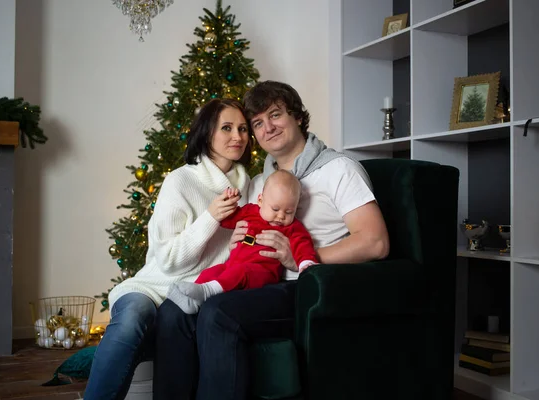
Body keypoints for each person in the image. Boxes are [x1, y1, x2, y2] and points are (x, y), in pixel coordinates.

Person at [153, 81, 390, 400]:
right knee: (173, 312)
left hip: (308, 288)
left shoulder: (339, 170)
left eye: (275, 115)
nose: (268, 128)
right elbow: (244, 225)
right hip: (260, 283)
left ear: (297, 117)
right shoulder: (259, 183)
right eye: (258, 123)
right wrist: (237, 238)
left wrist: (303, 258)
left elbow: (375, 242)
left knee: (219, 312)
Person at [83, 98, 253, 400]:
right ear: (207, 134)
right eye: (226, 128)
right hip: (154, 286)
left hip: (195, 292)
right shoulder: (180, 181)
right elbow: (168, 260)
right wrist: (211, 217)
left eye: (242, 128)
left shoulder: (249, 187)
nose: (238, 136)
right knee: (132, 317)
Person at [166, 170, 318, 314]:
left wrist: (306, 263)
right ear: (260, 200)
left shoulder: (292, 227)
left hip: (262, 272)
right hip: (233, 265)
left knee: (241, 272)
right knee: (214, 271)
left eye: (288, 212)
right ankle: (193, 297)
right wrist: (229, 202)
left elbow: (303, 244)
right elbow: (226, 220)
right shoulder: (249, 212)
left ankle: (207, 292)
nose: (280, 216)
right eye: (275, 209)